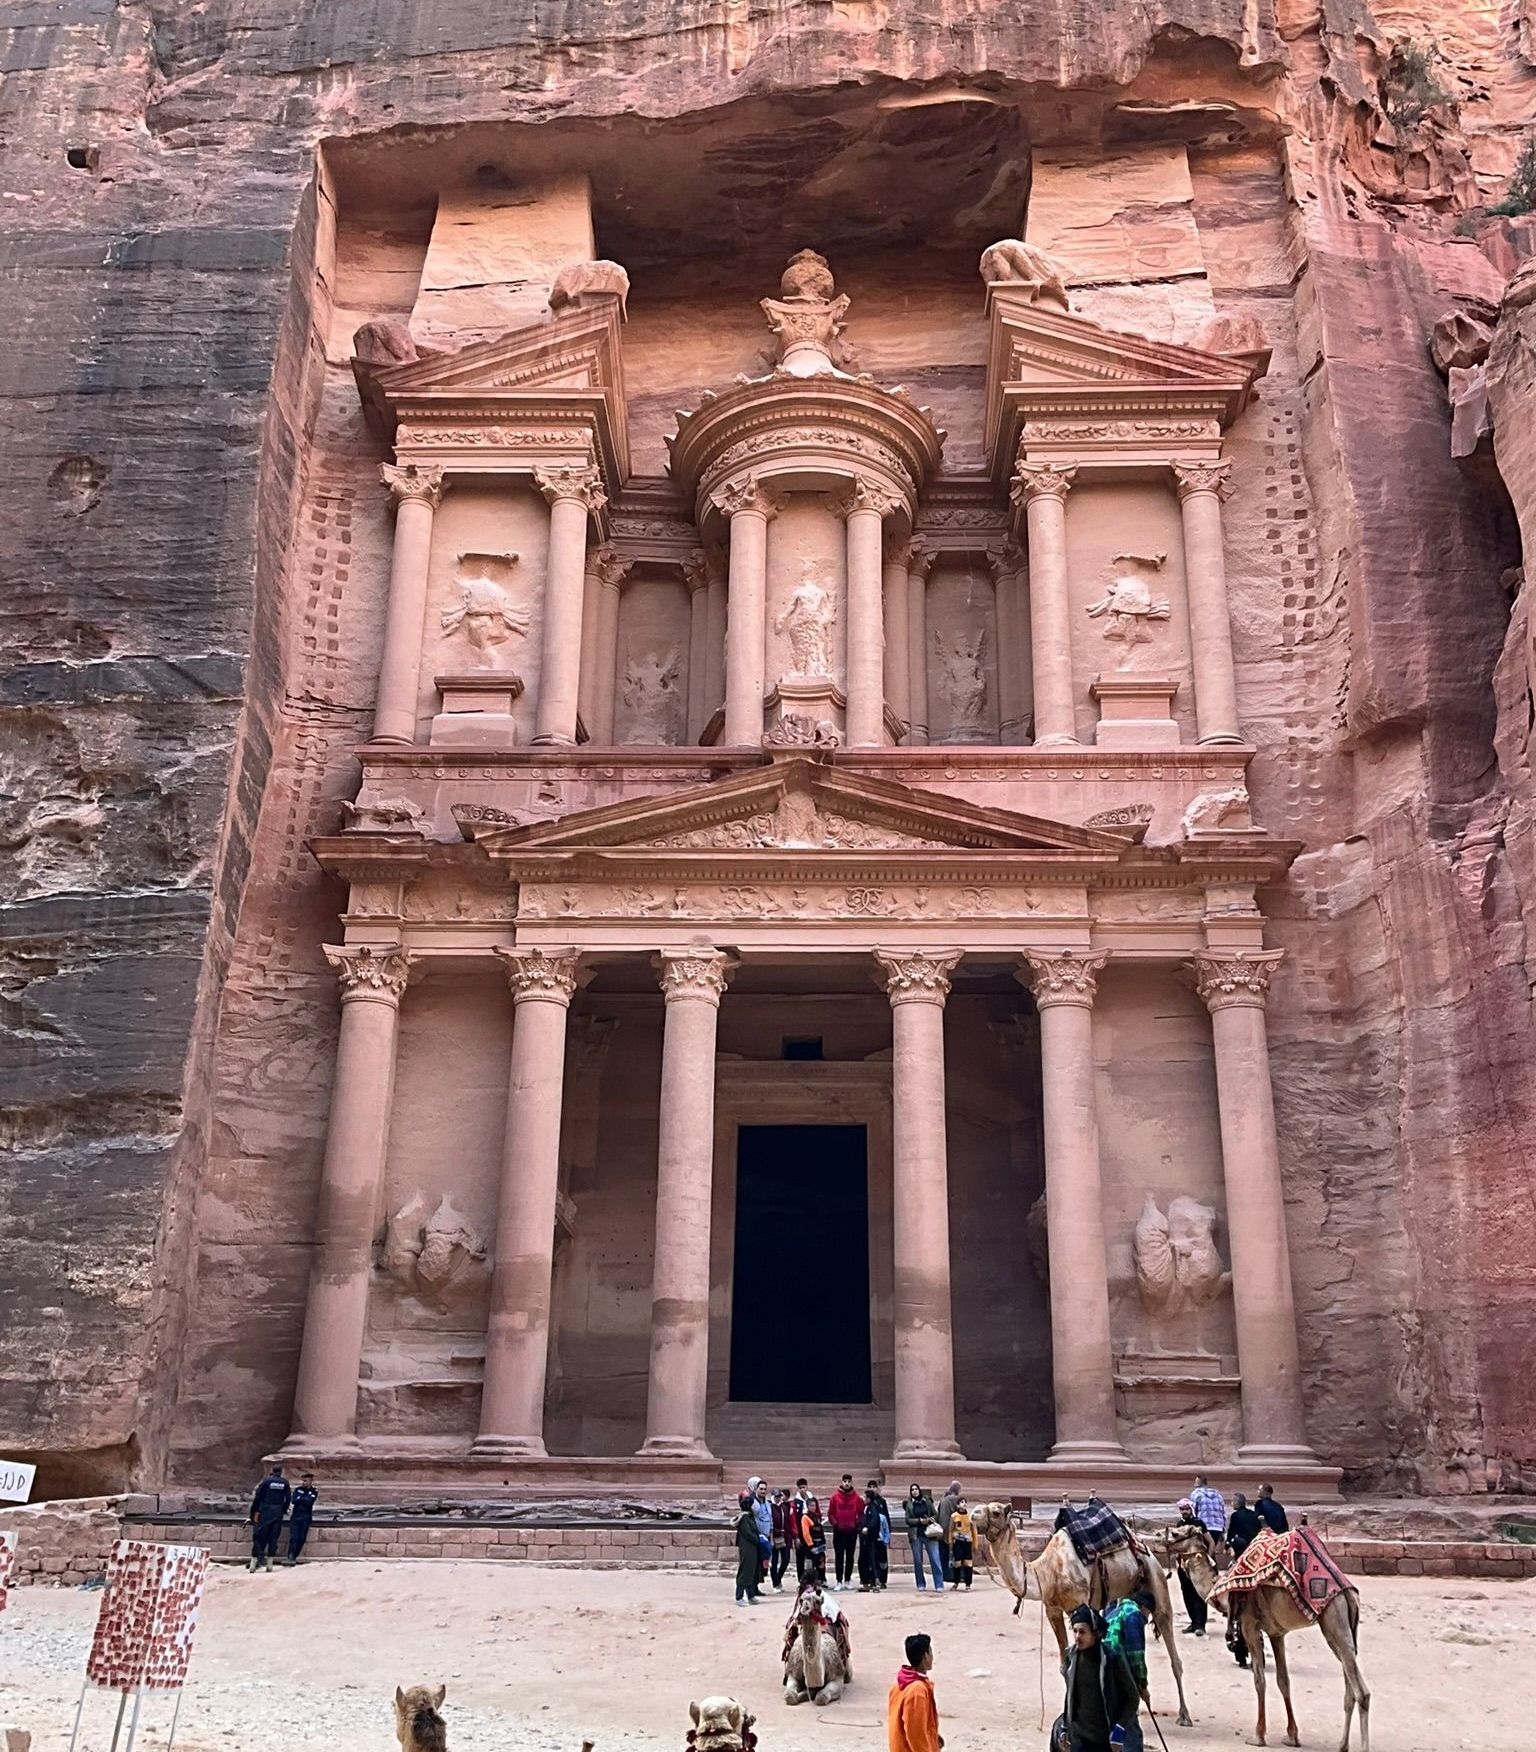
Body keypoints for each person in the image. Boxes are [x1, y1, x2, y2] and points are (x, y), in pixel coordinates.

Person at [1055, 1604, 1140, 1752]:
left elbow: (1132, 1698)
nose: (1077, 1637)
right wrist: (1065, 1727)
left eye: (1082, 1632)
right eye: (1075, 1631)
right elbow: (1071, 1694)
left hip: (1105, 1737)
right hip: (1080, 1736)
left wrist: (1120, 1728)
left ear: (1095, 1634)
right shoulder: (1071, 1657)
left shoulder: (1112, 1659)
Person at [1102, 1590, 1155, 1752]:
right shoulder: (1134, 1615)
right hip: (1120, 1672)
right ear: (1144, 1608)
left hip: (1102, 1671)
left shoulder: (1113, 1612)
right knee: (1129, 1724)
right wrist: (1142, 1685)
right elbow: (1136, 1654)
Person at [888, 1632, 942, 1752]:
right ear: (925, 1656)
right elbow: (915, 1732)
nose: (933, 1656)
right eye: (930, 1652)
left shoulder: (898, 1685)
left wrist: (934, 1737)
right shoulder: (917, 1691)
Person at [1172, 1499, 1209, 1635]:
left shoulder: (1198, 1523)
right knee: (1187, 1593)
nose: (1185, 1511)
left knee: (1198, 1593)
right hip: (1184, 1566)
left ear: (1191, 1509)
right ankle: (1193, 1623)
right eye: (1182, 1509)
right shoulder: (1180, 1524)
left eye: (1187, 1509)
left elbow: (1209, 1541)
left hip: (1197, 1566)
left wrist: (1208, 1559)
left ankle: (1201, 1624)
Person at [248, 1463, 291, 1573]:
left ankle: (253, 1564)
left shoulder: (266, 1481)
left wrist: (253, 1513)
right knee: (273, 1537)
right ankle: (270, 1565)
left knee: (259, 1536)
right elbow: (288, 1499)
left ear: (272, 1471)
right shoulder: (285, 1483)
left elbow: (258, 1497)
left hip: (264, 1512)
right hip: (277, 1513)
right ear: (281, 1472)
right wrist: (283, 1510)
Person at [905, 1484, 943, 1592]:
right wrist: (919, 1521)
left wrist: (929, 1519)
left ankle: (939, 1584)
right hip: (916, 1534)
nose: (914, 1491)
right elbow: (907, 1520)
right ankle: (920, 1583)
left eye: (916, 1489)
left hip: (930, 1533)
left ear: (919, 1490)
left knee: (935, 1559)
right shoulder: (909, 1505)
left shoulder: (927, 1501)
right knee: (918, 1561)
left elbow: (936, 1514)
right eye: (912, 1490)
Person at [828, 1472, 863, 1591]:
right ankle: (838, 1581)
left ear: (851, 1482)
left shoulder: (857, 1498)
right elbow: (830, 1513)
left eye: (849, 1481)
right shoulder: (835, 1497)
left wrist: (856, 1525)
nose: (847, 1484)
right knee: (839, 1557)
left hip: (851, 1532)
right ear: (842, 1482)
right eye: (845, 1481)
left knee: (850, 1557)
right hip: (839, 1531)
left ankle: (847, 1579)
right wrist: (836, 1524)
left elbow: (861, 1514)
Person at [858, 1480, 889, 1591]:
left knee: (873, 1561)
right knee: (864, 1561)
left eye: (865, 1497)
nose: (864, 1499)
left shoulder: (874, 1508)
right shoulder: (866, 1508)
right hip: (865, 1540)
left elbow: (875, 1521)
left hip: (872, 1539)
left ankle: (875, 1582)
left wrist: (868, 1528)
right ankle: (866, 1582)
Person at [735, 1492, 762, 1605]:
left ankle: (751, 1595)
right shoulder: (744, 1518)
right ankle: (739, 1596)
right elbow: (748, 1533)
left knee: (752, 1571)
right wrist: (758, 1540)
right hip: (747, 1548)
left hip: (753, 1548)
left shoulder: (750, 1517)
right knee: (745, 1571)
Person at [284, 1472, 317, 1565]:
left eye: (306, 1481)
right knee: (294, 1537)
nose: (304, 1482)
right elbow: (294, 1500)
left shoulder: (314, 1491)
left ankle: (295, 1555)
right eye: (303, 1480)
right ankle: (290, 1556)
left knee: (301, 1538)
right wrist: (303, 1499)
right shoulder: (298, 1489)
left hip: (306, 1516)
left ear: (311, 1481)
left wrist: (301, 1499)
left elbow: (310, 1501)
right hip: (296, 1516)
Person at [1188, 1473, 1226, 1548]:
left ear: (1198, 1483)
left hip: (1203, 1528)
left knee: (1202, 1551)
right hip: (1217, 1528)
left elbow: (1192, 1512)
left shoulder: (1196, 1494)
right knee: (1211, 1550)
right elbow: (1223, 1513)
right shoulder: (1218, 1495)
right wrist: (1223, 1530)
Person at [936, 1479, 962, 1581]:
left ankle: (945, 1574)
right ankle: (955, 1575)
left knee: (943, 1553)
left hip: (942, 1529)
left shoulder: (943, 1499)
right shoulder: (956, 1499)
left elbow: (938, 1512)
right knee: (956, 1553)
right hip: (952, 1530)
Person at [771, 1488, 796, 1590]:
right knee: (774, 1561)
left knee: (786, 1560)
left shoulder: (784, 1507)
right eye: (776, 1496)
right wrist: (776, 1532)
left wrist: (791, 1537)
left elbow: (788, 1522)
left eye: (779, 1496)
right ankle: (775, 1583)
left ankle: (778, 1579)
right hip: (775, 1536)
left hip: (785, 1536)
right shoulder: (770, 1507)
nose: (778, 1498)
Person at [800, 1493, 828, 1584]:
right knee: (810, 1565)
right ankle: (809, 1582)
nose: (813, 1507)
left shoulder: (817, 1517)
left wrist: (823, 1542)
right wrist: (811, 1546)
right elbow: (806, 1533)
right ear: (807, 1506)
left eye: (814, 1506)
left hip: (820, 1545)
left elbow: (821, 1530)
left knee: (821, 1563)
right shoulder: (805, 1517)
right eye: (811, 1505)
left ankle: (821, 1579)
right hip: (811, 1546)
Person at [1225, 1491, 1262, 1558]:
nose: (1231, 1504)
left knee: (1236, 1541)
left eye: (1232, 1501)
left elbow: (1231, 1532)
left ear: (1236, 1503)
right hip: (1254, 1542)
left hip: (1243, 1544)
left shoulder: (1235, 1515)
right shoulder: (1253, 1514)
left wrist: (1227, 1545)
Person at [948, 1498, 975, 1589]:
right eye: (961, 1502)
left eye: (965, 1502)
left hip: (967, 1542)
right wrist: (950, 1542)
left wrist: (975, 1543)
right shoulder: (954, 1516)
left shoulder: (970, 1516)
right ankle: (956, 1582)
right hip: (957, 1542)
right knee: (957, 1563)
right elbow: (950, 1530)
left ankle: (968, 1584)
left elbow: (974, 1530)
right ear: (958, 1505)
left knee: (968, 1563)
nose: (964, 1504)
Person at [752, 1479, 773, 1586]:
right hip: (757, 1537)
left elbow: (770, 1519)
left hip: (767, 1536)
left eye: (765, 1489)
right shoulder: (753, 1503)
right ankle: (753, 1587)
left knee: (763, 1565)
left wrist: (771, 1536)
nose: (763, 1491)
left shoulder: (768, 1504)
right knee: (755, 1563)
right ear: (756, 1489)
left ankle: (757, 1586)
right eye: (761, 1489)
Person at [791, 1477, 811, 1583]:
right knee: (800, 1559)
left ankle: (811, 1579)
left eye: (804, 1487)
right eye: (800, 1488)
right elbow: (793, 1520)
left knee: (811, 1558)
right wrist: (796, 1536)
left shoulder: (812, 1500)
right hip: (800, 1535)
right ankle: (801, 1580)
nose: (802, 1489)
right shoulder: (795, 1503)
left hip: (811, 1535)